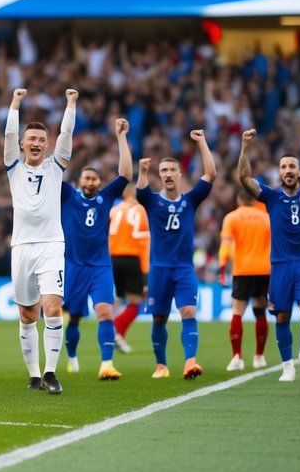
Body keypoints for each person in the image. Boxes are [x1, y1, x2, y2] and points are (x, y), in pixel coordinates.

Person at [237, 126, 300, 382]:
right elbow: (244, 178)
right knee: (282, 316)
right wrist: (245, 146)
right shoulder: (271, 197)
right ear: (279, 173)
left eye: (292, 167)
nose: (288, 170)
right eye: (284, 167)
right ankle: (287, 365)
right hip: (279, 266)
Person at [5, 87, 75, 394]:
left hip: (51, 246)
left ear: (47, 146)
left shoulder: (55, 167)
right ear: (22, 144)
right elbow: (7, 136)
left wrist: (71, 103)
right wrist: (15, 103)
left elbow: (66, 134)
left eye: (41, 140)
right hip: (21, 248)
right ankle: (33, 374)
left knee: (52, 306)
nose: (36, 143)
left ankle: (50, 372)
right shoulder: (14, 168)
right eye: (31, 139)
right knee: (27, 314)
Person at [135, 129, 216, 380]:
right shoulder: (152, 201)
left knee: (188, 312)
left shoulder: (191, 200)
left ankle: (190, 361)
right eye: (164, 172)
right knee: (159, 318)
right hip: (159, 268)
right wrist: (142, 171)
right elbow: (140, 192)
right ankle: (161, 365)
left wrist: (201, 142)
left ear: (180, 175)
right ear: (159, 176)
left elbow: (211, 173)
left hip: (184, 269)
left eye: (172, 171)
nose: (168, 175)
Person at [61, 118, 132, 380]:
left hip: (101, 266)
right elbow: (54, 174)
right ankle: (71, 356)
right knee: (75, 317)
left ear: (100, 183)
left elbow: (125, 174)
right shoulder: (68, 195)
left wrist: (121, 136)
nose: (90, 182)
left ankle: (107, 364)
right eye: (86, 179)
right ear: (80, 181)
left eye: (94, 179)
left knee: (105, 312)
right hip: (74, 266)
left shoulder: (106, 197)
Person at [219, 190, 271, 371]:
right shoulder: (266, 217)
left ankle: (237, 357)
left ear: (239, 198)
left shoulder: (231, 218)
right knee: (260, 311)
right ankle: (259, 356)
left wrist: (222, 267)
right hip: (264, 269)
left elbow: (225, 245)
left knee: (237, 312)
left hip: (243, 270)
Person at [108, 184, 150, 353]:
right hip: (132, 258)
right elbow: (145, 243)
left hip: (113, 258)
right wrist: (145, 274)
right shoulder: (141, 211)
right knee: (136, 301)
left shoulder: (114, 210)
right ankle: (116, 327)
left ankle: (117, 333)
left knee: (119, 297)